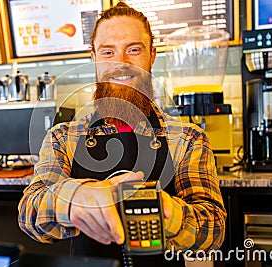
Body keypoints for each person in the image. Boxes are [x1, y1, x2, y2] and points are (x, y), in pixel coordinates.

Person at [18, 2, 226, 267]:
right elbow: (29, 214)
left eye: (133, 50)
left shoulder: (187, 138)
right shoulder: (63, 137)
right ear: (93, 56)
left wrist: (165, 209)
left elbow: (214, 231)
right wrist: (74, 199)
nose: (121, 63)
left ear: (151, 55)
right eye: (108, 51)